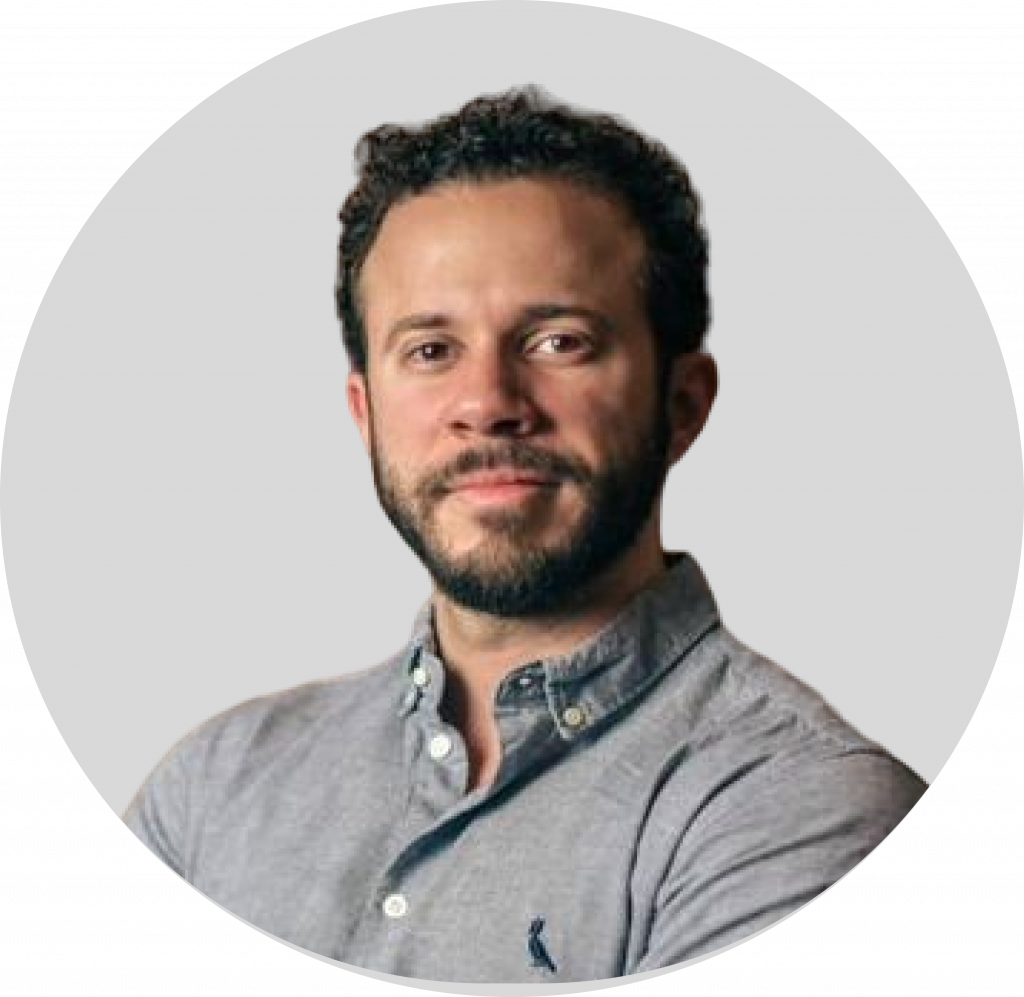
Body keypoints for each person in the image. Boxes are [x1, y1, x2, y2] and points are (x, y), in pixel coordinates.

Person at [125, 87, 926, 982]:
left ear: (682, 403)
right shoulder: (212, 785)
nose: (488, 405)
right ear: (366, 413)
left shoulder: (804, 804)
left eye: (557, 341)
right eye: (431, 350)